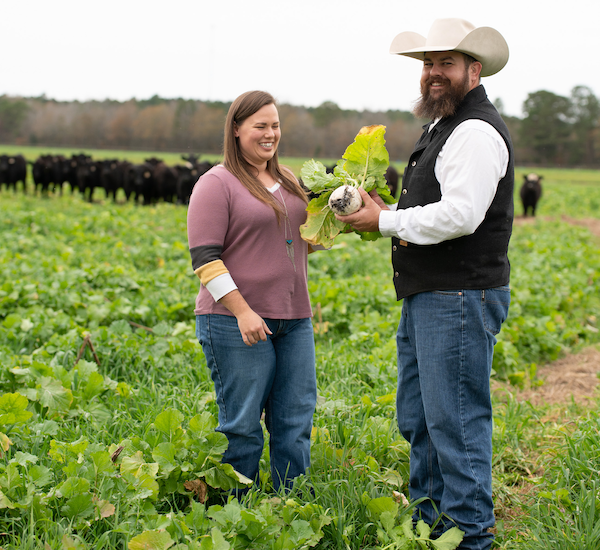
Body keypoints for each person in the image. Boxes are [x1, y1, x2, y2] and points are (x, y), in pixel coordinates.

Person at [336, 19, 513, 550]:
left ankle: (470, 537)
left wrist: (385, 223)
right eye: (428, 64)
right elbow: (433, 208)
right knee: (420, 418)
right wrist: (384, 212)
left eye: (446, 64)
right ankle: (432, 527)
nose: (434, 74)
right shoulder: (444, 127)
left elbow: (460, 215)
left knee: (454, 423)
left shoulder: (475, 131)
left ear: (473, 70)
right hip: (431, 296)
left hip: (457, 296)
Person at [187, 90, 317, 494]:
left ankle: (290, 502)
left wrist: (334, 222)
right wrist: (243, 311)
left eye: (275, 125)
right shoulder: (216, 183)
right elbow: (205, 260)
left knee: (295, 419)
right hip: (233, 320)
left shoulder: (290, 180)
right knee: (242, 425)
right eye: (260, 125)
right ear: (237, 129)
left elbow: (304, 239)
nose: (270, 133)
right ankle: (233, 509)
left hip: (294, 318)